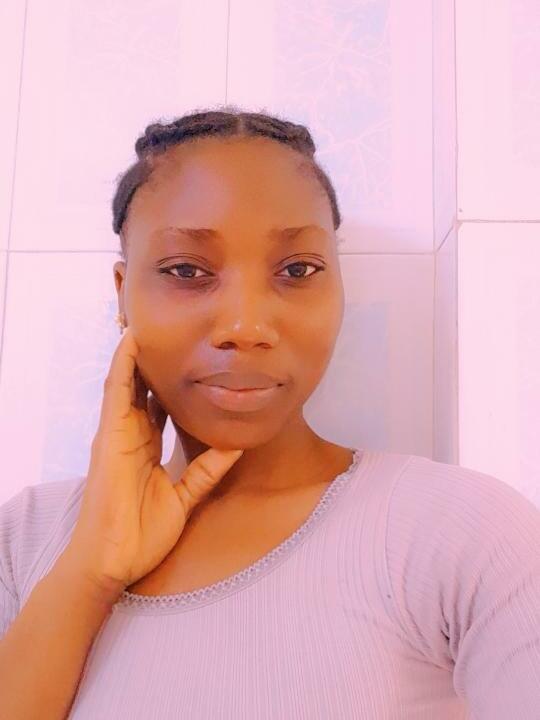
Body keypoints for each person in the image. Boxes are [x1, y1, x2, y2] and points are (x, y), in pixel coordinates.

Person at [1, 107, 539, 719]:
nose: (246, 326)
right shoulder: (25, 540)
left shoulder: (458, 533)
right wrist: (88, 572)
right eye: (186, 270)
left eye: (297, 270)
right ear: (122, 294)